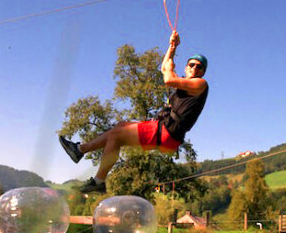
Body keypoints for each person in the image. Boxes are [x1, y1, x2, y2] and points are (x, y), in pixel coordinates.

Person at [59, 31, 209, 193]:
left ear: (202, 72)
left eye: (199, 67)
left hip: (167, 132)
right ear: (186, 68)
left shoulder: (200, 84)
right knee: (119, 128)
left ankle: (96, 177)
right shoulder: (185, 84)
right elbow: (163, 67)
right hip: (162, 129)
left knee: (116, 136)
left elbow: (168, 78)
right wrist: (172, 47)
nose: (195, 68)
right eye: (191, 65)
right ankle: (81, 152)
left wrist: (170, 67)